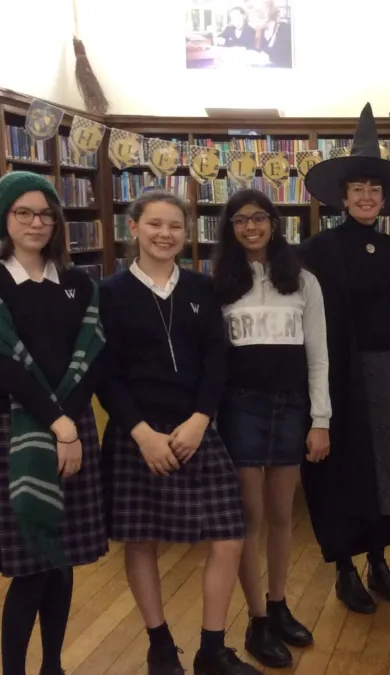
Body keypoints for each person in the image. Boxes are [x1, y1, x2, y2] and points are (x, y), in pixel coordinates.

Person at [98, 191, 255, 675]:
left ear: (186, 234)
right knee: (140, 539)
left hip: (195, 428)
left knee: (229, 535)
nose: (165, 234)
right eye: (155, 224)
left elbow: (216, 358)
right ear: (134, 228)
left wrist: (201, 418)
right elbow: (105, 374)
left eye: (175, 226)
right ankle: (160, 646)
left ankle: (212, 649)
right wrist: (141, 433)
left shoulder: (202, 288)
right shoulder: (109, 293)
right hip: (137, 435)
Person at [0, 172, 107, 675]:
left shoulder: (79, 283)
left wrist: (70, 424)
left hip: (73, 429)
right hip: (17, 431)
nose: (36, 223)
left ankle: (52, 667)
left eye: (46, 214)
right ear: (3, 218)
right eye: (23, 212)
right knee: (30, 569)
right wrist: (60, 425)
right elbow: (2, 364)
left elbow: (92, 357)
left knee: (61, 564)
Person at [300, 102, 390, 614]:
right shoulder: (318, 249)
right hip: (341, 375)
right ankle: (346, 570)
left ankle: (378, 561)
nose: (367, 196)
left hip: (388, 372)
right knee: (347, 472)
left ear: (384, 198)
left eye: (374, 189)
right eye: (358, 189)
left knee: (386, 469)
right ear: (343, 197)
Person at [212, 188, 329, 667]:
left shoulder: (302, 280)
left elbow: (318, 356)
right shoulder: (219, 283)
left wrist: (321, 419)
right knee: (250, 516)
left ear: (274, 223)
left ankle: (278, 605)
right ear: (230, 228)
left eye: (259, 217)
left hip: (291, 406)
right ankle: (257, 620)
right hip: (240, 407)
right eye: (241, 220)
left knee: (282, 513)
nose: (251, 227)